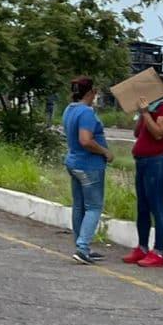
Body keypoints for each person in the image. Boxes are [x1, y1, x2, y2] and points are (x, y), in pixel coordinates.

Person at [125, 94, 163, 268]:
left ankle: (158, 252)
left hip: (158, 163)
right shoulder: (153, 108)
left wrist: (146, 113)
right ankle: (142, 247)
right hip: (143, 161)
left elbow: (158, 133)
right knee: (142, 207)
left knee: (157, 207)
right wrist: (143, 113)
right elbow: (137, 133)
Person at [62, 76, 111, 264]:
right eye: (95, 92)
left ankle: (80, 245)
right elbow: (85, 140)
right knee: (94, 207)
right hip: (89, 165)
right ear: (90, 92)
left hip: (73, 162)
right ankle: (83, 248)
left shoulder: (70, 109)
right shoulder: (86, 113)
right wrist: (105, 152)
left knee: (79, 206)